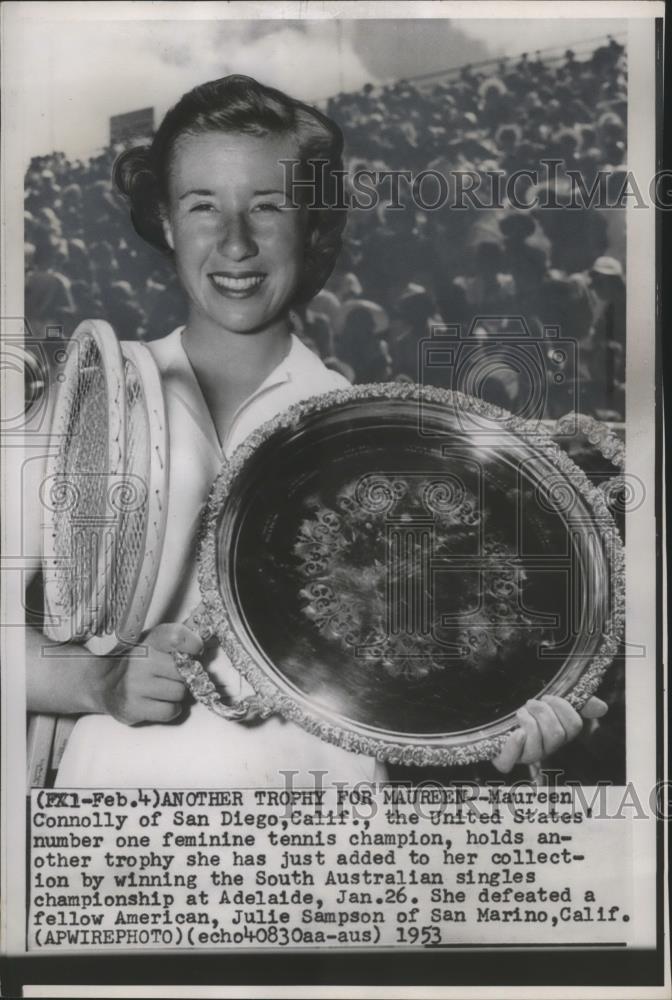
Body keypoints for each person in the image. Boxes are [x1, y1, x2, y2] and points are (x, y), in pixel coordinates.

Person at [26, 75, 605, 788]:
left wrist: (510, 714)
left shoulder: (378, 432)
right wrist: (100, 680)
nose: (235, 242)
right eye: (203, 205)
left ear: (311, 222)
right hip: (118, 816)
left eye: (267, 206)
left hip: (327, 822)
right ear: (168, 221)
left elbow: (432, 657)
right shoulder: (85, 403)